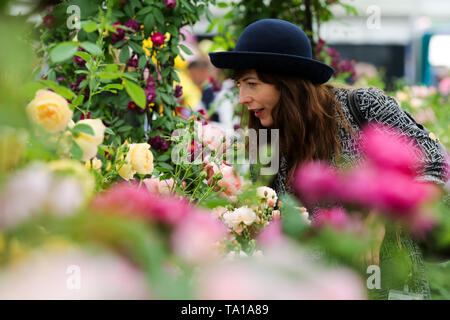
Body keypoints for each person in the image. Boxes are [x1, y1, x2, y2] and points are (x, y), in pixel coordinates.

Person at [209, 19, 449, 299]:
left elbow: (433, 161)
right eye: (239, 84)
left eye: (252, 84)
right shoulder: (267, 139)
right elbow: (270, 216)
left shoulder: (362, 106)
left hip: (388, 285)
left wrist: (378, 219)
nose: (242, 98)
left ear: (288, 82)